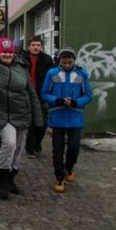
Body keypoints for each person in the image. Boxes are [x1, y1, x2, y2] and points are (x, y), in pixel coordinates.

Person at [0, 37, 43, 200]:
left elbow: (31, 92)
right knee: (9, 143)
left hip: (21, 113)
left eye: (10, 52)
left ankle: (11, 178)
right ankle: (2, 180)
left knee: (18, 148)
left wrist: (38, 118)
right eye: (4, 52)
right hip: (1, 113)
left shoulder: (21, 67)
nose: (7, 55)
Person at [41, 47, 92, 193]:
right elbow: (44, 93)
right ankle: (59, 177)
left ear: (74, 61)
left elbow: (88, 95)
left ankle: (69, 167)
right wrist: (57, 100)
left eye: (70, 62)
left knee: (74, 147)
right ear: (60, 61)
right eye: (64, 62)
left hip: (75, 117)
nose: (67, 65)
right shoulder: (52, 73)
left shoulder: (82, 74)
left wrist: (77, 102)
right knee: (57, 149)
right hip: (57, 117)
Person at [23, 36, 54, 156]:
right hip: (27, 94)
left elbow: (52, 76)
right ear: (28, 47)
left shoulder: (47, 59)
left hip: (42, 95)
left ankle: (37, 142)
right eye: (33, 45)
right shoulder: (22, 58)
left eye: (38, 45)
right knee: (30, 123)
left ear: (41, 47)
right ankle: (29, 148)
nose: (35, 47)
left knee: (42, 123)